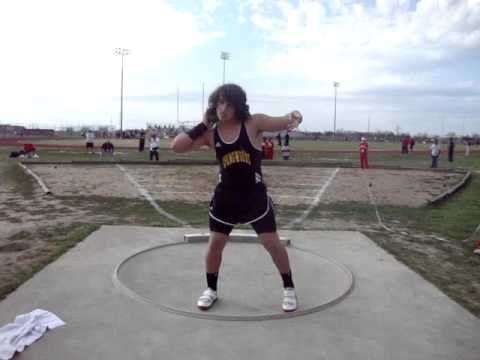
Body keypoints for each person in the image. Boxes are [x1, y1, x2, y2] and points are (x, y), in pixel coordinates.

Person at [171, 83, 302, 312]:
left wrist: (294, 116)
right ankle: (211, 289)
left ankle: (289, 288)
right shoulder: (211, 133)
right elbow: (177, 147)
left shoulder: (254, 123)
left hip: (254, 197)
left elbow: (284, 119)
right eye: (220, 102)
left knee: (272, 243)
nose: (223, 108)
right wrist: (202, 124)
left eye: (229, 103)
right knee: (215, 245)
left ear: (239, 105)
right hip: (225, 198)